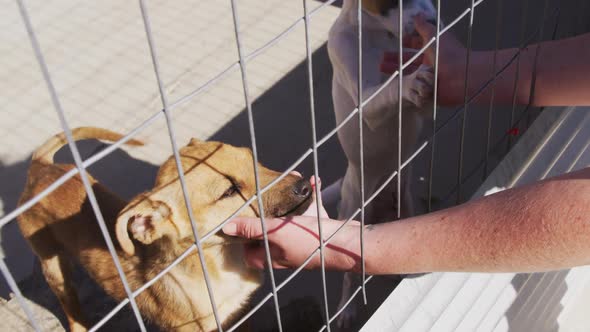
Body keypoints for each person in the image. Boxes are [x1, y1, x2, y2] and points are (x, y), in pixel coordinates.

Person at [221, 15, 590, 275]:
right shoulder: (343, 38)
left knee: (405, 203)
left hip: (401, 161)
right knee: (360, 202)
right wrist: (465, 73)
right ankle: (350, 292)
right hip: (367, 169)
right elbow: (368, 109)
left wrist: (364, 249)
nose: (419, 13)